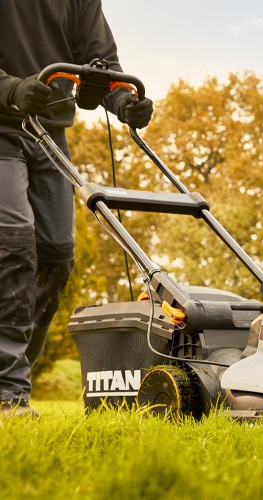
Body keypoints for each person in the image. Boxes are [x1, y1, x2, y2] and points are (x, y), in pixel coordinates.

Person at [0, 0, 154, 417]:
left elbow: (98, 62)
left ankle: (12, 373)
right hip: (1, 127)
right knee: (13, 245)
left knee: (55, 256)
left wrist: (125, 100)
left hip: (49, 134)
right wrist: (11, 88)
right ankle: (7, 393)